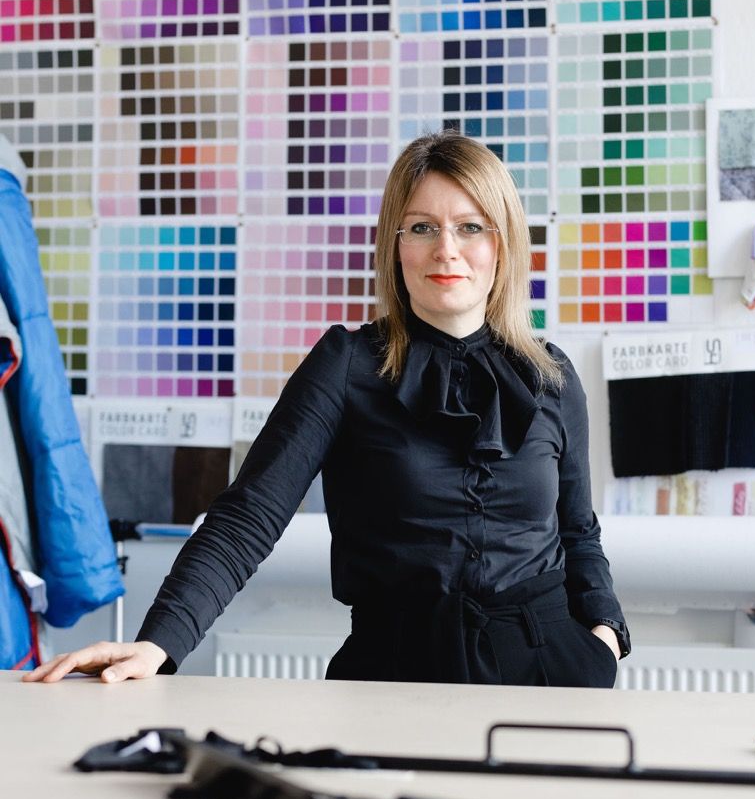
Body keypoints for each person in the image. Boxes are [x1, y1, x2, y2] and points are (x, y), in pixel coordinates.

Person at [25, 131, 629, 688]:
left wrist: (604, 635)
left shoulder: (551, 375)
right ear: (396, 246)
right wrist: (158, 644)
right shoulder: (346, 364)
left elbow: (578, 531)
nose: (447, 249)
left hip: (553, 673)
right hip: (392, 673)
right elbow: (248, 517)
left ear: (504, 242)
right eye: (422, 227)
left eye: (471, 227)